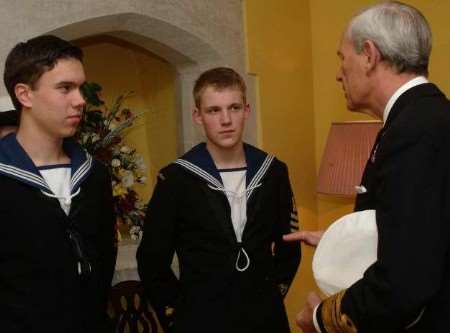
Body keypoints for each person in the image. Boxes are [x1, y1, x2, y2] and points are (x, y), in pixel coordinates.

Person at [286, 2, 450, 332]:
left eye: (341, 57)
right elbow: (426, 228)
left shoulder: (413, 131)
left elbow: (404, 282)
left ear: (369, 54)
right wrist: (340, 240)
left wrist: (321, 319)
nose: (338, 73)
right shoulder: (424, 118)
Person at [137, 67, 301, 333]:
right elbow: (151, 260)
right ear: (198, 116)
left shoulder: (273, 171)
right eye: (214, 110)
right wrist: (177, 313)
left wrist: (271, 294)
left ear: (247, 111)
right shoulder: (176, 179)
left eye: (234, 108)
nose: (226, 119)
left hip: (265, 318)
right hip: (200, 319)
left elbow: (289, 247)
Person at [0, 35, 116, 333]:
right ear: (25, 95)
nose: (80, 100)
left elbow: (104, 260)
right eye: (65, 88)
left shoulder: (94, 175)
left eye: (80, 88)